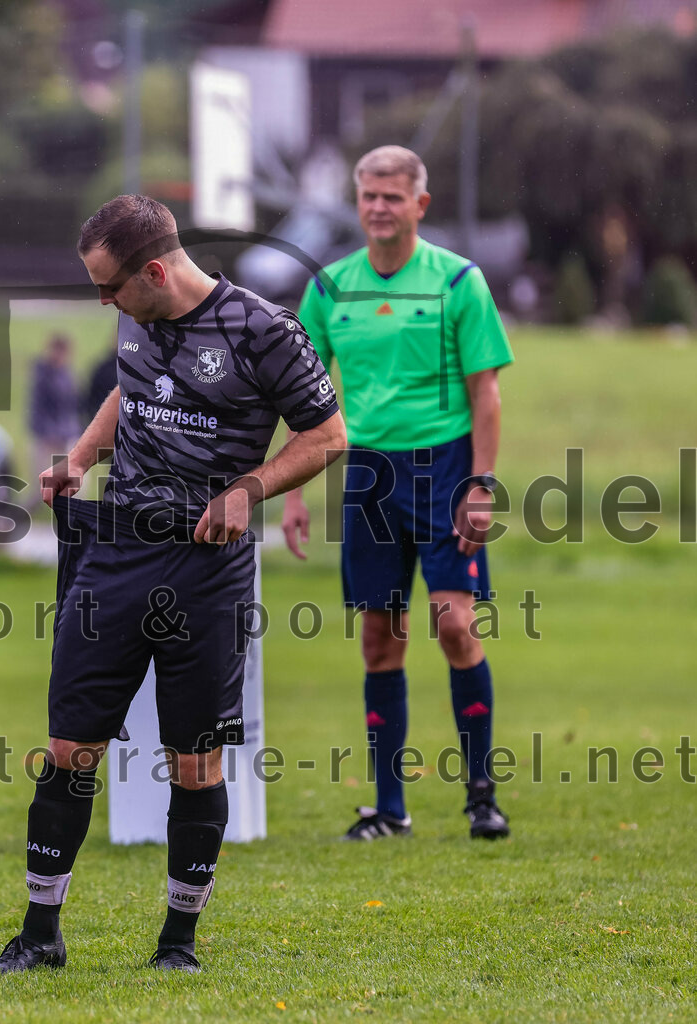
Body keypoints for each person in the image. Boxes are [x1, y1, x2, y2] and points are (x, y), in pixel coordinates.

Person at [0, 194, 346, 976]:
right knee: (69, 746)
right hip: (113, 553)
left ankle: (177, 945)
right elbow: (131, 390)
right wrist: (79, 457)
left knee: (194, 758)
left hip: (206, 569)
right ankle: (39, 936)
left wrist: (249, 488)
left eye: (111, 287)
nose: (104, 302)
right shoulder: (134, 317)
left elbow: (326, 435)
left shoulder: (263, 330)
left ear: (155, 270)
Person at [282, 146, 514, 841]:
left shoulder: (460, 281)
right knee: (379, 641)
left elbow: (487, 392)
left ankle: (481, 797)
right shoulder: (329, 288)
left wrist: (480, 483)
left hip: (445, 469)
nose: (379, 207)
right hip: (369, 475)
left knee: (453, 626)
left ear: (420, 204)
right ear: (357, 203)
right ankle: (389, 809)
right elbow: (301, 396)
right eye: (369, 196)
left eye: (392, 196)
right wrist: (292, 493)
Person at [28, 334, 80, 503]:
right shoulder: (42, 375)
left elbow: (71, 407)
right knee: (42, 482)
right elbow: (38, 407)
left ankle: (74, 511)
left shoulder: (67, 375)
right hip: (46, 437)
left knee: (72, 479)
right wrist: (47, 432)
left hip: (65, 435)